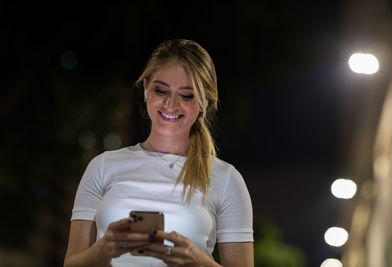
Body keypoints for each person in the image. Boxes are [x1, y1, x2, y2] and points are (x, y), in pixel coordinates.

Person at [64, 39, 254, 267]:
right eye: (161, 90)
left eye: (186, 95)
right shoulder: (103, 166)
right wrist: (103, 250)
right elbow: (72, 262)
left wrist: (200, 263)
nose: (171, 104)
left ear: (204, 102)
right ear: (146, 88)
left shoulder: (226, 179)